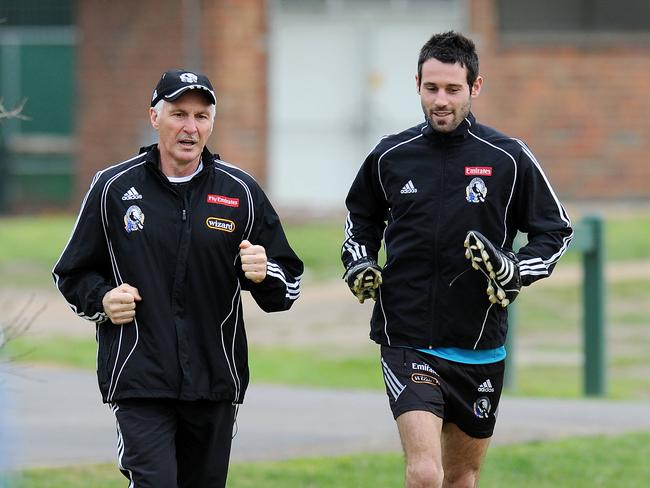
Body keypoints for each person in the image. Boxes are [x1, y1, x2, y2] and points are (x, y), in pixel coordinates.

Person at [341, 32, 572, 487]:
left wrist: (514, 269)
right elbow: (359, 218)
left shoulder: (508, 157)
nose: (440, 101)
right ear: (418, 85)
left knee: (461, 477)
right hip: (406, 335)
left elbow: (555, 231)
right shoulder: (391, 155)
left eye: (452, 89)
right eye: (432, 89)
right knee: (426, 474)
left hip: (480, 342)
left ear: (476, 87)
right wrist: (358, 260)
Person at [53, 69, 303, 488]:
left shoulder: (240, 192)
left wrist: (264, 273)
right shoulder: (113, 188)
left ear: (212, 123)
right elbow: (72, 272)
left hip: (214, 378)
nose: (190, 128)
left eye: (202, 116)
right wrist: (102, 300)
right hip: (139, 377)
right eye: (178, 114)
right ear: (155, 117)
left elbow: (287, 284)